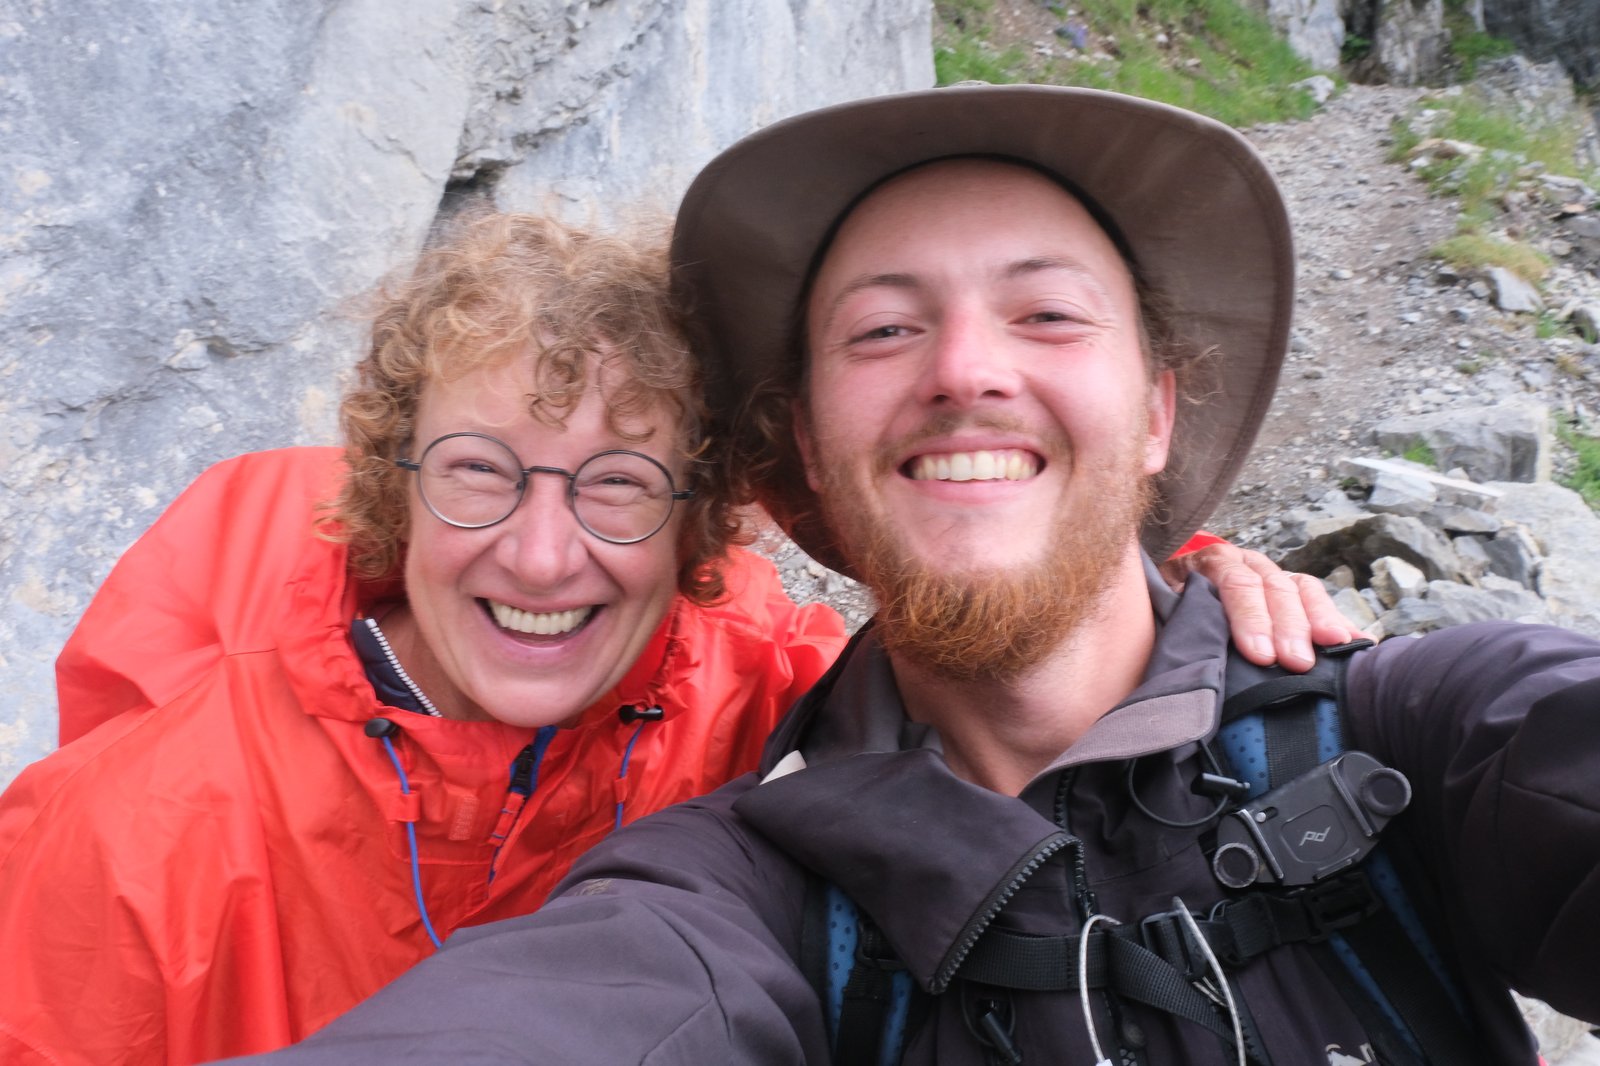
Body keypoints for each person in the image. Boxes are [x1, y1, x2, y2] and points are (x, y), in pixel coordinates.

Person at [228, 85, 1600, 1065]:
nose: (964, 368)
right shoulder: (747, 883)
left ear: (1158, 414)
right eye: (884, 328)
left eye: (1047, 312)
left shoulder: (1418, 736)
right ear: (809, 451)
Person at [0, 207, 1329, 1066]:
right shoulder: (127, 829)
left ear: (698, 530)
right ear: (389, 486)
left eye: (619, 485)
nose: (540, 551)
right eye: (477, 470)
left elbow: (982, 631)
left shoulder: (752, 676)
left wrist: (1183, 575)